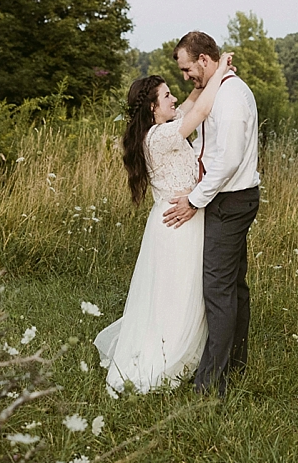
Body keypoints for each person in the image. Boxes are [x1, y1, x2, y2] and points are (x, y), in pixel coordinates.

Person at [94, 52, 237, 396]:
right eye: (166, 96)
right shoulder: (161, 137)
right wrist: (220, 73)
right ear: (153, 109)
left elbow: (190, 104)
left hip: (178, 220)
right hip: (177, 225)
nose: (174, 98)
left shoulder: (162, 129)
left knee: (178, 293)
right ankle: (168, 356)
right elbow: (200, 111)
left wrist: (200, 83)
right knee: (177, 295)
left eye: (173, 92)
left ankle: (186, 350)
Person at [162, 30, 260, 396]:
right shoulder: (215, 91)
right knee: (233, 285)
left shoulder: (232, 98)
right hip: (225, 198)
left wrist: (194, 199)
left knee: (218, 290)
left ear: (204, 60)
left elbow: (228, 162)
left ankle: (210, 385)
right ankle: (234, 365)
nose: (185, 77)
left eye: (188, 69)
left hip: (230, 201)